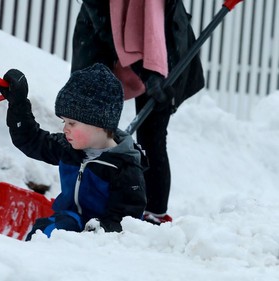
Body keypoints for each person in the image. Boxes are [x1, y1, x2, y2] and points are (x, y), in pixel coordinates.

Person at [71, 0, 205, 224]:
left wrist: (158, 73)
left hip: (161, 46)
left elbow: (166, 20)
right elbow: (106, 26)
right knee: (90, 129)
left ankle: (155, 213)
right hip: (103, 43)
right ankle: (83, 203)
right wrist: (144, 72)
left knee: (152, 135)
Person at [0, 63, 147, 240]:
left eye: (72, 123)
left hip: (100, 237)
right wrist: (18, 103)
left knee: (58, 232)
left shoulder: (125, 169)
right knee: (43, 231)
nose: (65, 129)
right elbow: (30, 140)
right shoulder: (70, 149)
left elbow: (127, 220)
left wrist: (94, 234)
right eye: (64, 122)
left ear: (99, 124)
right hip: (68, 220)